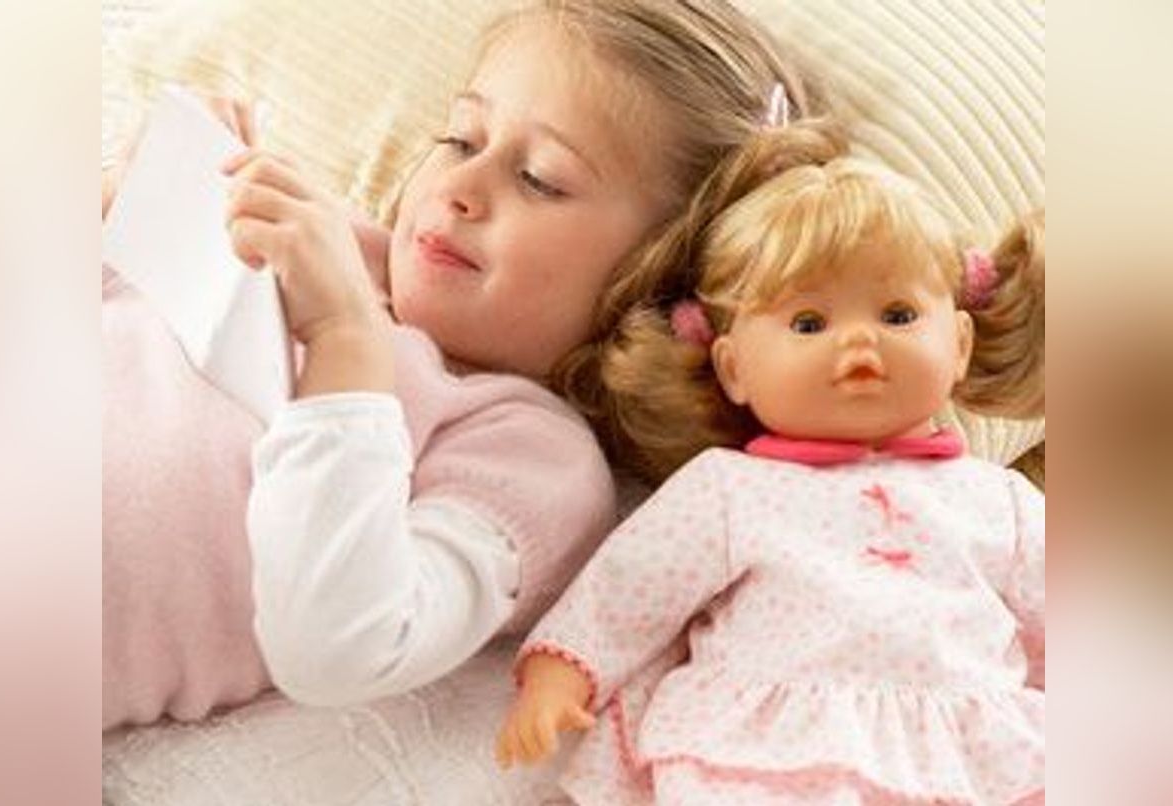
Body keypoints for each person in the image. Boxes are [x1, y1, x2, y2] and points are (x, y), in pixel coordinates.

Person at [102, 0, 836, 729]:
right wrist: (133, 194)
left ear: (657, 279)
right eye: (460, 139)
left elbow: (339, 649)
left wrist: (342, 338)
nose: (459, 188)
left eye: (540, 179)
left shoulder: (530, 455)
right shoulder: (329, 240)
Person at [496, 131, 1045, 805]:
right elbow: (633, 585)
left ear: (958, 344)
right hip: (778, 753)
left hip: (969, 752)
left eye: (898, 314)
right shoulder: (731, 489)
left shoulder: (1000, 501)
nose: (860, 339)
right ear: (734, 369)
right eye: (809, 324)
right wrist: (563, 671)